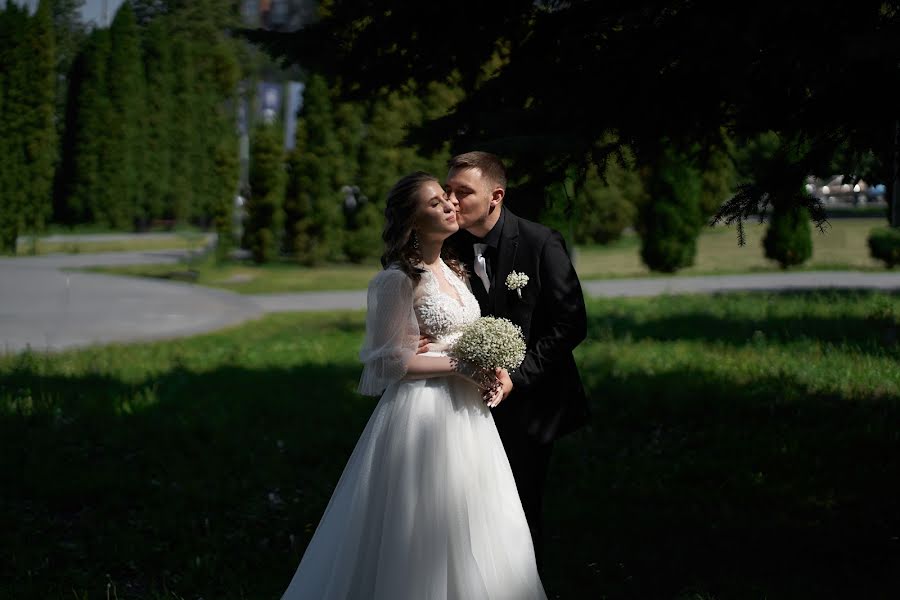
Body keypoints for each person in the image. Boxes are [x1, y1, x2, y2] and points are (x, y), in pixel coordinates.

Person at [279, 171, 547, 600]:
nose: (449, 205)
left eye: (447, 198)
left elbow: (459, 339)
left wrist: (491, 370)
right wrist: (458, 365)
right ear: (412, 221)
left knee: (478, 517)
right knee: (420, 528)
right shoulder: (398, 280)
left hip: (469, 416)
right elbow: (386, 362)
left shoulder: (453, 271)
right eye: (435, 203)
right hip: (422, 415)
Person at [441, 151, 590, 569]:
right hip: (464, 402)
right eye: (447, 190)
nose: (451, 200)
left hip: (532, 403)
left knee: (520, 508)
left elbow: (570, 323)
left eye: (463, 192)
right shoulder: (446, 247)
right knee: (465, 507)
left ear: (496, 196)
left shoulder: (541, 242)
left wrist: (517, 378)